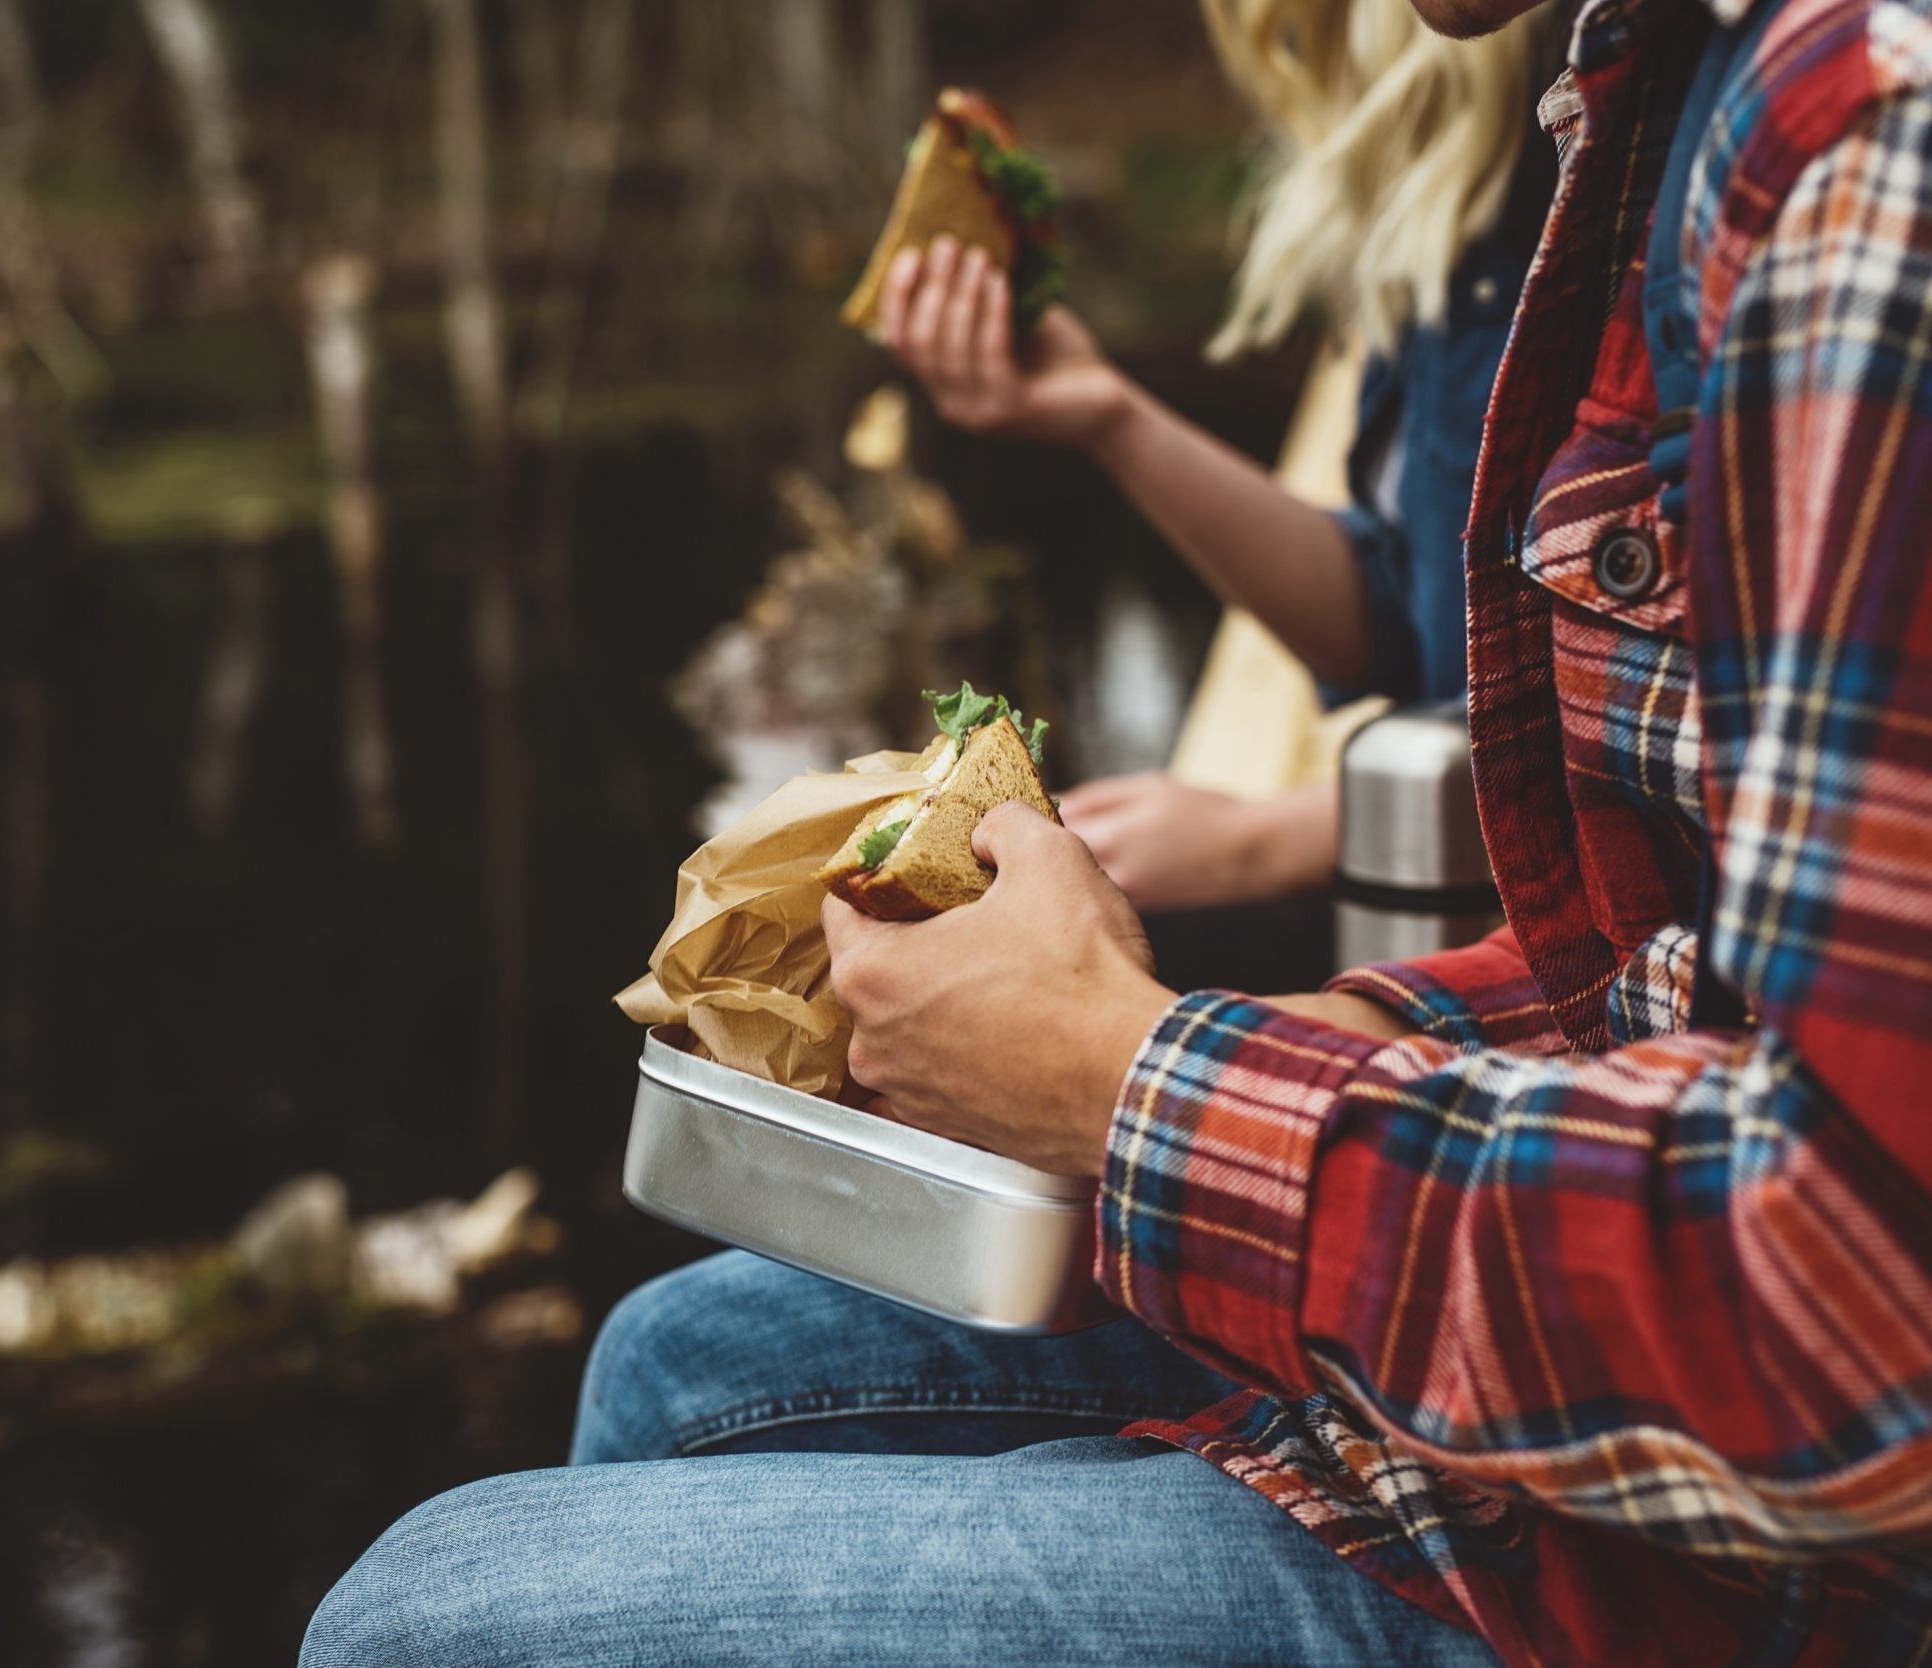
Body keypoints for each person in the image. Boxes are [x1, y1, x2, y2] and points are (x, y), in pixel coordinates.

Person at [301, 0, 1932, 1656]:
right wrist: (1253, 1038)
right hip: (1616, 1353)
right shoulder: (1645, 94)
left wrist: (1128, 1077)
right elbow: (1672, 956)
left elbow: (1852, 1313)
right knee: (679, 1361)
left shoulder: (1855, 149)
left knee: (420, 1616)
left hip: (1747, 1572)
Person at [889, 0, 1555, 925]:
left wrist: (1275, 837)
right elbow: (1408, 622)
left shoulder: (1601, 193)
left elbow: (1660, 723)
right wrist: (1107, 416)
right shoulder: (1443, 217)